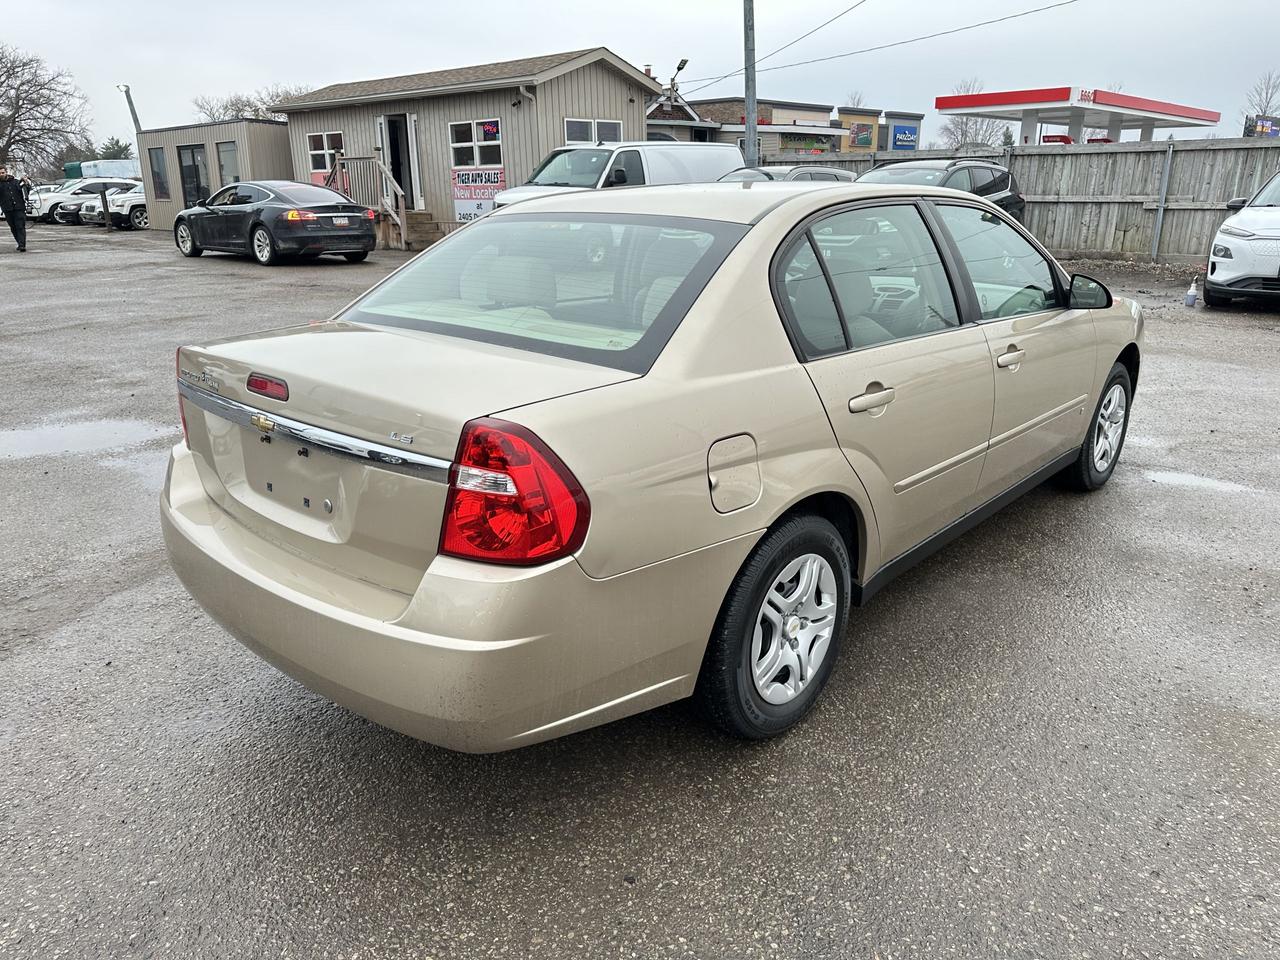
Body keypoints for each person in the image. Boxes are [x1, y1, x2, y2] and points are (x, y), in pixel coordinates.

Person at [0, 166, 32, 251]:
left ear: (6, 172)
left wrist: (26, 183)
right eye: (0, 173)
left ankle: (22, 245)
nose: (1, 174)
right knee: (13, 227)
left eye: (3, 173)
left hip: (19, 208)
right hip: (7, 209)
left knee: (20, 226)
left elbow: (26, 190)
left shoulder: (16, 182)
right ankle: (19, 242)